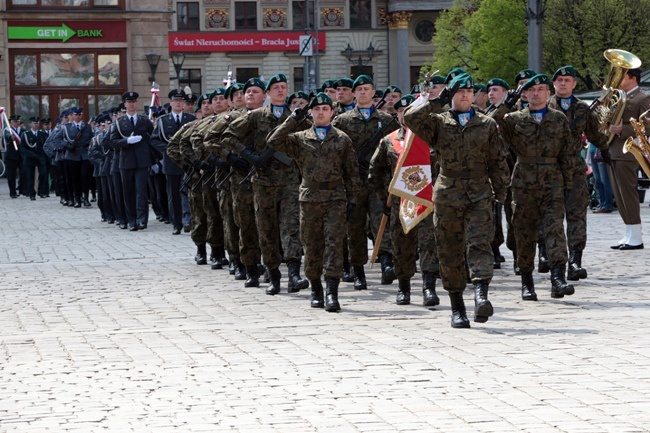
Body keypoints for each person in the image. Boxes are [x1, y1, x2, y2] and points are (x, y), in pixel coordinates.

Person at [404, 73, 510, 328]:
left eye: (469, 91)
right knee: (449, 249)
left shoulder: (485, 124)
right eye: (459, 91)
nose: (464, 95)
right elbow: (410, 118)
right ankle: (457, 307)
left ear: (474, 95)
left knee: (479, 244)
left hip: (479, 191)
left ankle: (481, 295)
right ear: (451, 95)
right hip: (448, 192)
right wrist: (435, 101)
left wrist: (501, 192)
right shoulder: (438, 123)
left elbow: (498, 160)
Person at [267, 93, 360, 311]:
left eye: (325, 109)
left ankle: (332, 292)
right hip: (309, 199)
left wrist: (353, 199)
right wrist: (292, 119)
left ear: (332, 112)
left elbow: (352, 173)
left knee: (334, 245)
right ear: (311, 112)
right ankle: (316, 289)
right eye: (316, 109)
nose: (321, 112)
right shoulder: (300, 138)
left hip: (335, 198)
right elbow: (273, 141)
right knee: (311, 245)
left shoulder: (342, 139)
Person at [491, 74, 577, 301]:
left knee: (555, 230)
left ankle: (558, 278)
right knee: (524, 233)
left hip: (552, 182)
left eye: (541, 89)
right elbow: (490, 122)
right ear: (525, 94)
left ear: (548, 93)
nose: (536, 93)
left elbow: (568, 153)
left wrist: (568, 183)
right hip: (523, 183)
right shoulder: (514, 119)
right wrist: (507, 103)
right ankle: (526, 281)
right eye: (532, 90)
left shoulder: (558, 119)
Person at [222, 73, 310, 295]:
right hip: (263, 181)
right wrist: (250, 156)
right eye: (276, 87)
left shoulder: (296, 117)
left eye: (283, 87)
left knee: (291, 227)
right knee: (266, 229)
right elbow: (227, 137)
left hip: (290, 180)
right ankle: (273, 274)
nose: (280, 90)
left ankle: (294, 273)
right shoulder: (256, 116)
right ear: (268, 93)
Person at [369, 94, 441, 307]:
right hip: (400, 202)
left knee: (429, 243)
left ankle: (429, 287)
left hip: (427, 200)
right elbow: (375, 171)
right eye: (400, 111)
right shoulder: (389, 140)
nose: (403, 114)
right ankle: (404, 287)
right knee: (402, 245)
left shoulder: (430, 138)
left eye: (408, 110)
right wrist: (384, 198)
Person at [332, 74, 400, 290]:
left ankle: (387, 264)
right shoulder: (342, 120)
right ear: (354, 94)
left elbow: (395, 149)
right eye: (358, 89)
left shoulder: (386, 120)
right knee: (355, 227)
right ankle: (358, 270)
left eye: (366, 89)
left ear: (373, 92)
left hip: (379, 181)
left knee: (382, 220)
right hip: (354, 182)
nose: (362, 92)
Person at [548, 65, 610, 279]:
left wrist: (605, 149)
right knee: (552, 218)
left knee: (577, 217)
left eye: (567, 80)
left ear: (574, 84)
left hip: (574, 170)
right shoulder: (544, 106)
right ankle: (554, 261)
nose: (563, 83)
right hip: (550, 170)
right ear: (553, 83)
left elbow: (594, 133)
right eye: (559, 79)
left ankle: (575, 261)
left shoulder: (583, 109)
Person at [607, 67, 650, 250]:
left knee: (628, 193)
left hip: (628, 151)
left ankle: (636, 236)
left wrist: (622, 130)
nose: (618, 79)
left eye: (622, 76)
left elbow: (647, 127)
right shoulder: (620, 96)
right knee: (619, 194)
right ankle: (629, 233)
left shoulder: (642, 98)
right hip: (613, 149)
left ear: (633, 78)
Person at [151, 88, 197, 235]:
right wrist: (168, 149)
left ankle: (188, 220)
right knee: (173, 195)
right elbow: (154, 140)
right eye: (175, 100)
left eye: (181, 100)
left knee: (189, 192)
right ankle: (176, 223)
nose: (178, 103)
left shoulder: (191, 119)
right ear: (170, 103)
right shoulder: (163, 120)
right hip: (171, 162)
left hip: (188, 162)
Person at [109, 91, 154, 231]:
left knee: (141, 190)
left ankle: (142, 219)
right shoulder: (119, 123)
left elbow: (153, 138)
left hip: (142, 160)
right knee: (128, 191)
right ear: (125, 104)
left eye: (134, 101)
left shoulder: (144, 120)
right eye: (129, 102)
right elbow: (112, 142)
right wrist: (126, 141)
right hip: (126, 160)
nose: (132, 104)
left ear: (137, 103)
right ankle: (131, 220)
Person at [19, 117, 48, 200]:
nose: (36, 125)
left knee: (43, 174)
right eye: (34, 123)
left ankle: (41, 191)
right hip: (30, 158)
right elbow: (22, 148)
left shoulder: (42, 134)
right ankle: (32, 193)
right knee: (30, 176)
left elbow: (46, 146)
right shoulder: (26, 134)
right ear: (30, 124)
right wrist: (30, 154)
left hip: (40, 157)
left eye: (37, 123)